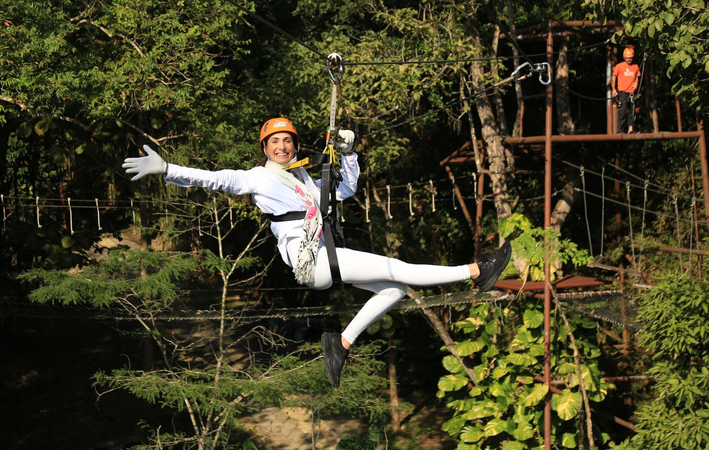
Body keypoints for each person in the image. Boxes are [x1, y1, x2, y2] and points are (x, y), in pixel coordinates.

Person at [122, 117, 512, 387]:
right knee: (399, 268)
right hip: (312, 262)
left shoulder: (306, 177)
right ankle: (477, 271)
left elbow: (346, 191)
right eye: (274, 141)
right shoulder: (257, 179)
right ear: (264, 148)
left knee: (394, 289)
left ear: (294, 146)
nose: (281, 145)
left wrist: (349, 153)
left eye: (287, 140)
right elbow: (215, 179)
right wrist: (167, 168)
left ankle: (340, 343)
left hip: (326, 257)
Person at [610, 47, 641, 134]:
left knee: (632, 111)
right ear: (624, 57)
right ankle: (620, 130)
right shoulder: (619, 66)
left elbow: (637, 78)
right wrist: (613, 88)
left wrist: (636, 84)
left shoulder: (635, 67)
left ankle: (630, 129)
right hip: (622, 92)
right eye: (627, 58)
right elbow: (614, 77)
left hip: (632, 92)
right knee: (622, 111)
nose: (629, 60)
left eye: (630, 58)